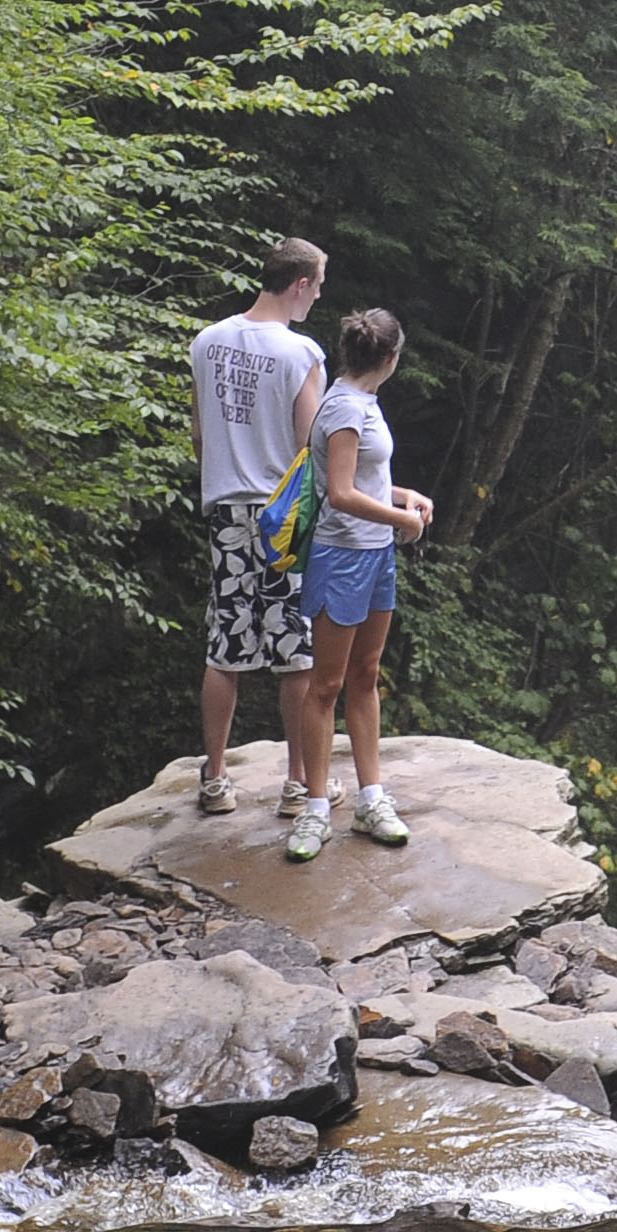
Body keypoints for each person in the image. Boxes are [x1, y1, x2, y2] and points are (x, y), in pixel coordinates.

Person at [185, 238, 328, 816]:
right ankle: (297, 785)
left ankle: (216, 780)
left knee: (226, 645)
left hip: (226, 506)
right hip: (285, 511)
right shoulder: (301, 354)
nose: (319, 296)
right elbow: (310, 447)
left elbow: (199, 434)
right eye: (318, 285)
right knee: (294, 648)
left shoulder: (207, 341)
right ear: (298, 284)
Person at [282, 306, 428, 862]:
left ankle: (371, 798)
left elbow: (365, 480)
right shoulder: (343, 408)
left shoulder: (361, 401)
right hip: (342, 557)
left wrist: (403, 496)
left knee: (366, 676)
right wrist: (404, 523)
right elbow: (339, 493)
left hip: (375, 556)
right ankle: (316, 808)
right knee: (326, 685)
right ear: (390, 359)